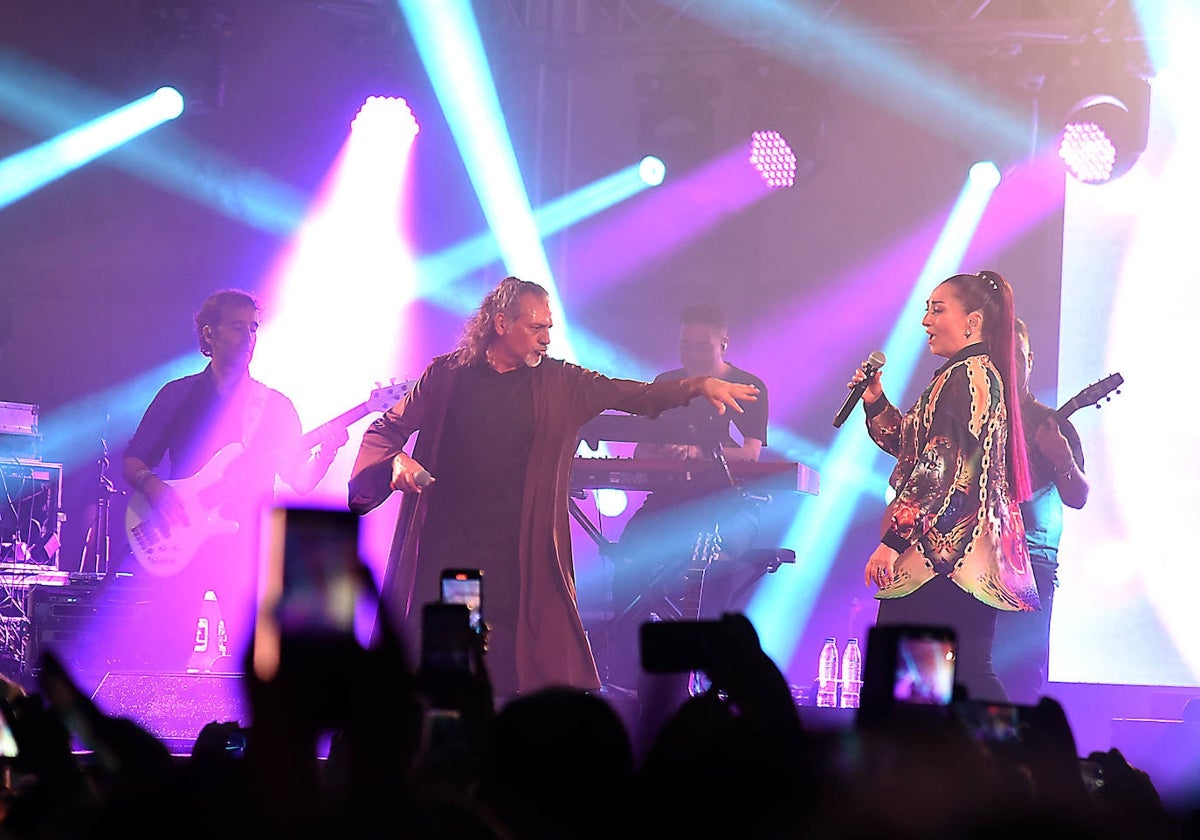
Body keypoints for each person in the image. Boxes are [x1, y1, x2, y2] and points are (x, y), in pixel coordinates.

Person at [346, 276, 758, 701]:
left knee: (515, 672)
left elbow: (636, 396)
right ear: (501, 323)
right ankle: (456, 750)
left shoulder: (561, 383)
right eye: (536, 328)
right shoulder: (446, 376)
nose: (546, 338)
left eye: (549, 328)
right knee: (459, 666)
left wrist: (696, 386)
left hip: (520, 556)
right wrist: (396, 461)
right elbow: (387, 428)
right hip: (456, 549)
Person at [122, 288, 347, 671]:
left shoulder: (275, 406)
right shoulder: (177, 395)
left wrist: (327, 450)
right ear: (209, 334)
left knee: (257, 660)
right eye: (237, 327)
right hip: (181, 541)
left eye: (254, 328)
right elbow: (132, 460)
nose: (248, 337)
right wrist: (153, 485)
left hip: (249, 547)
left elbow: (301, 481)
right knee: (167, 655)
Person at [848, 269, 1038, 703]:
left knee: (919, 675)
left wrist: (894, 541)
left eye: (937, 309)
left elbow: (937, 468)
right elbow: (911, 448)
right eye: (926, 310)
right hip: (963, 553)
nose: (925, 321)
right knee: (964, 672)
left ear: (972, 320)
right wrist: (875, 400)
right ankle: (999, 761)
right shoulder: (968, 376)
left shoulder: (965, 378)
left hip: (945, 556)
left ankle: (988, 761)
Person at [606, 304, 769, 687]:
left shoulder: (748, 387)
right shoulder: (668, 383)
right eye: (686, 345)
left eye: (702, 346)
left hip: (725, 502)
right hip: (668, 499)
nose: (693, 353)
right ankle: (626, 674)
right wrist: (660, 453)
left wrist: (700, 453)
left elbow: (750, 453)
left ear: (723, 344)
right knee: (628, 558)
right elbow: (641, 450)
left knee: (715, 566)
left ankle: (711, 678)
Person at [992, 318, 1089, 704]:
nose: (1009, 365)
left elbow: (1078, 496)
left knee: (1018, 679)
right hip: (974, 561)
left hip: (1032, 564)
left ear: (1029, 360)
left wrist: (1062, 457)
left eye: (1016, 356)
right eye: (1000, 358)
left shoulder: (1054, 425)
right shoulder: (977, 418)